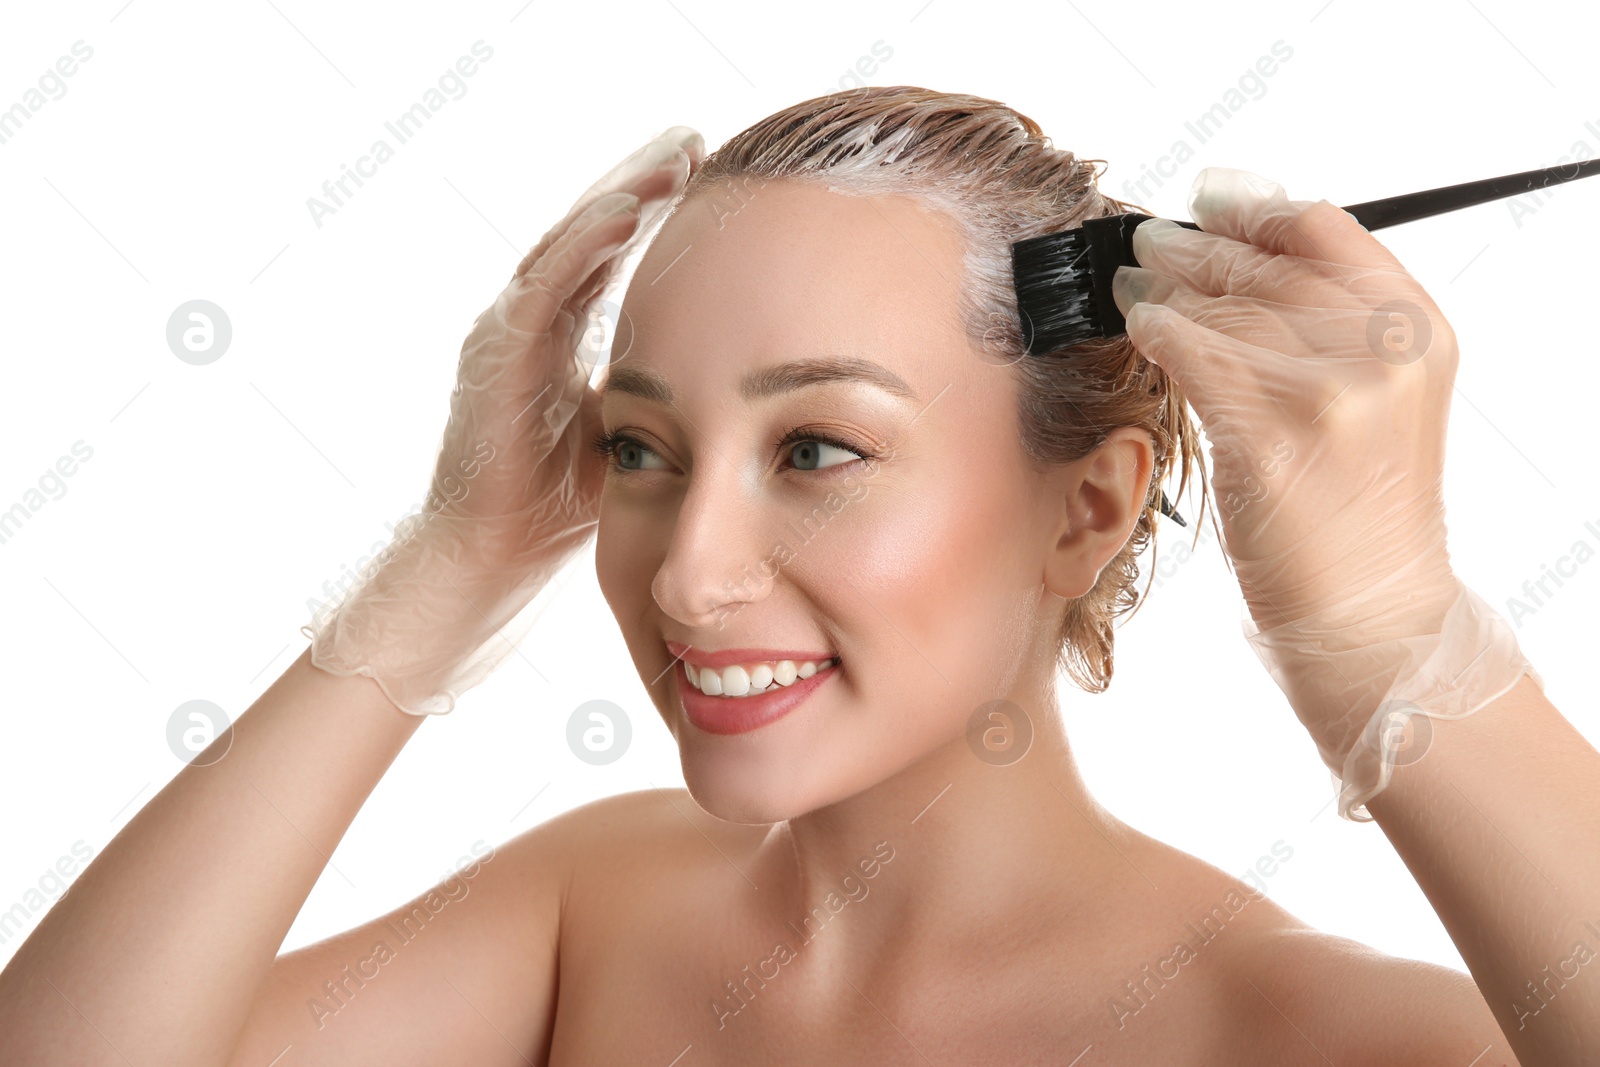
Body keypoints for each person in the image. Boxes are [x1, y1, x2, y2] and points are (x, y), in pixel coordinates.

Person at [2, 86, 1595, 1065]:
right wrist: (445, 572)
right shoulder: (594, 912)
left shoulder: (1291, 1035)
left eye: (818, 449)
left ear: (1085, 512)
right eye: (639, 449)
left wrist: (1390, 639)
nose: (688, 578)